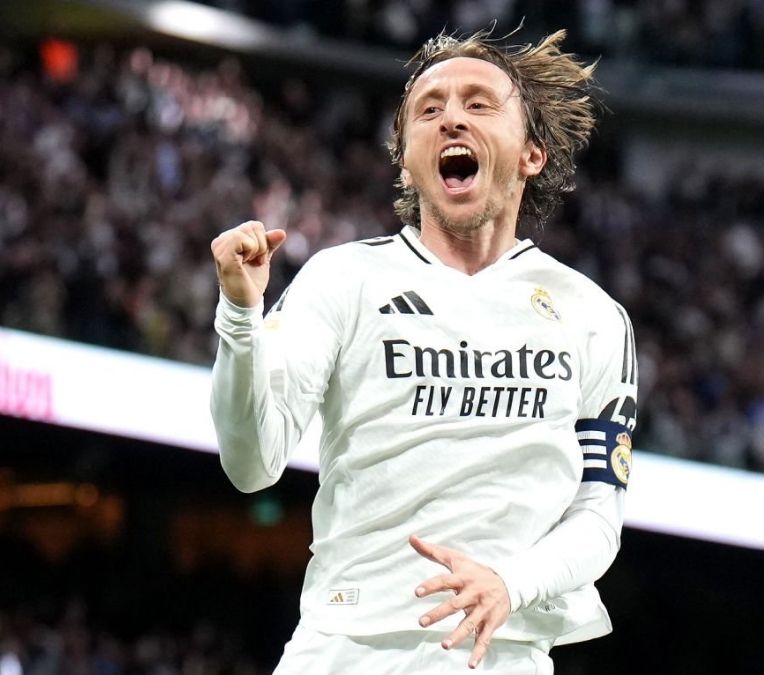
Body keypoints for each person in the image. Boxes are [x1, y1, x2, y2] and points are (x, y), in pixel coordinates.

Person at [209, 27, 637, 673]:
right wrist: (241, 318)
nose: (451, 118)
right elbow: (251, 464)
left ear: (532, 154)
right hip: (344, 650)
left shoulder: (592, 315)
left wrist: (511, 583)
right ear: (407, 162)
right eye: (429, 109)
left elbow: (598, 516)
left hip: (500, 654)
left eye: (478, 103)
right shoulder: (343, 279)